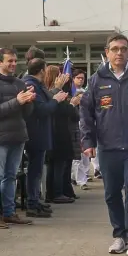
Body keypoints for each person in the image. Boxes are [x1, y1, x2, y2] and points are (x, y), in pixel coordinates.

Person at [80, 33, 128, 256]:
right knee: (111, 194)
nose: (119, 53)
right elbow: (86, 113)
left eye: (123, 49)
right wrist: (88, 141)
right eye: (115, 49)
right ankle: (120, 235)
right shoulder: (97, 79)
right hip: (107, 147)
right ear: (106, 52)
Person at [0, 48, 37, 228]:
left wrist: (29, 101)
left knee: (11, 176)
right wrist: (17, 101)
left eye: (14, 61)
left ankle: (10, 212)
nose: (13, 64)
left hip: (18, 135)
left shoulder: (19, 83)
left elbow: (26, 114)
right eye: (9, 61)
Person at [23, 59, 68, 217]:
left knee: (37, 171)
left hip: (39, 132)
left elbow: (47, 99)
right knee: (34, 171)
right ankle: (32, 203)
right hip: (36, 133)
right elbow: (42, 109)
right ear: (41, 71)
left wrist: (56, 91)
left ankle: (35, 200)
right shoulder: (31, 84)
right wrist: (56, 100)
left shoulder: (38, 84)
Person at [45, 65, 82, 204]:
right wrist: (72, 104)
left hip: (57, 131)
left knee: (57, 165)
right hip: (58, 132)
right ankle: (57, 193)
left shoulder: (52, 92)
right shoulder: (53, 93)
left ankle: (58, 191)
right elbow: (63, 111)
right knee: (58, 165)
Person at [70, 70, 91, 190]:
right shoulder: (70, 92)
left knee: (85, 153)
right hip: (74, 125)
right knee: (77, 155)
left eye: (82, 78)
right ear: (73, 79)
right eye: (78, 78)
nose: (80, 80)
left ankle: (82, 178)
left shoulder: (86, 92)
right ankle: (78, 178)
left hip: (84, 124)